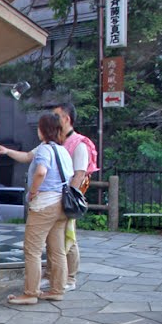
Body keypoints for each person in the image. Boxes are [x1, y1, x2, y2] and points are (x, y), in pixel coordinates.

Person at [0, 112, 73, 305]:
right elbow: (27, 156)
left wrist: (32, 191)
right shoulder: (62, 150)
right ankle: (57, 289)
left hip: (44, 204)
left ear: (43, 129)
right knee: (58, 250)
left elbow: (40, 171)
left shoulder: (45, 150)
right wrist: (5, 151)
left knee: (32, 250)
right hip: (61, 205)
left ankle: (30, 293)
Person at [49, 103, 96, 291]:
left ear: (66, 119)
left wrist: (68, 200)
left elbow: (80, 174)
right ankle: (55, 276)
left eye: (56, 116)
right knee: (56, 239)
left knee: (69, 238)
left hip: (67, 198)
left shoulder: (79, 144)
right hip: (57, 197)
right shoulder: (60, 141)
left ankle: (69, 278)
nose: (53, 120)